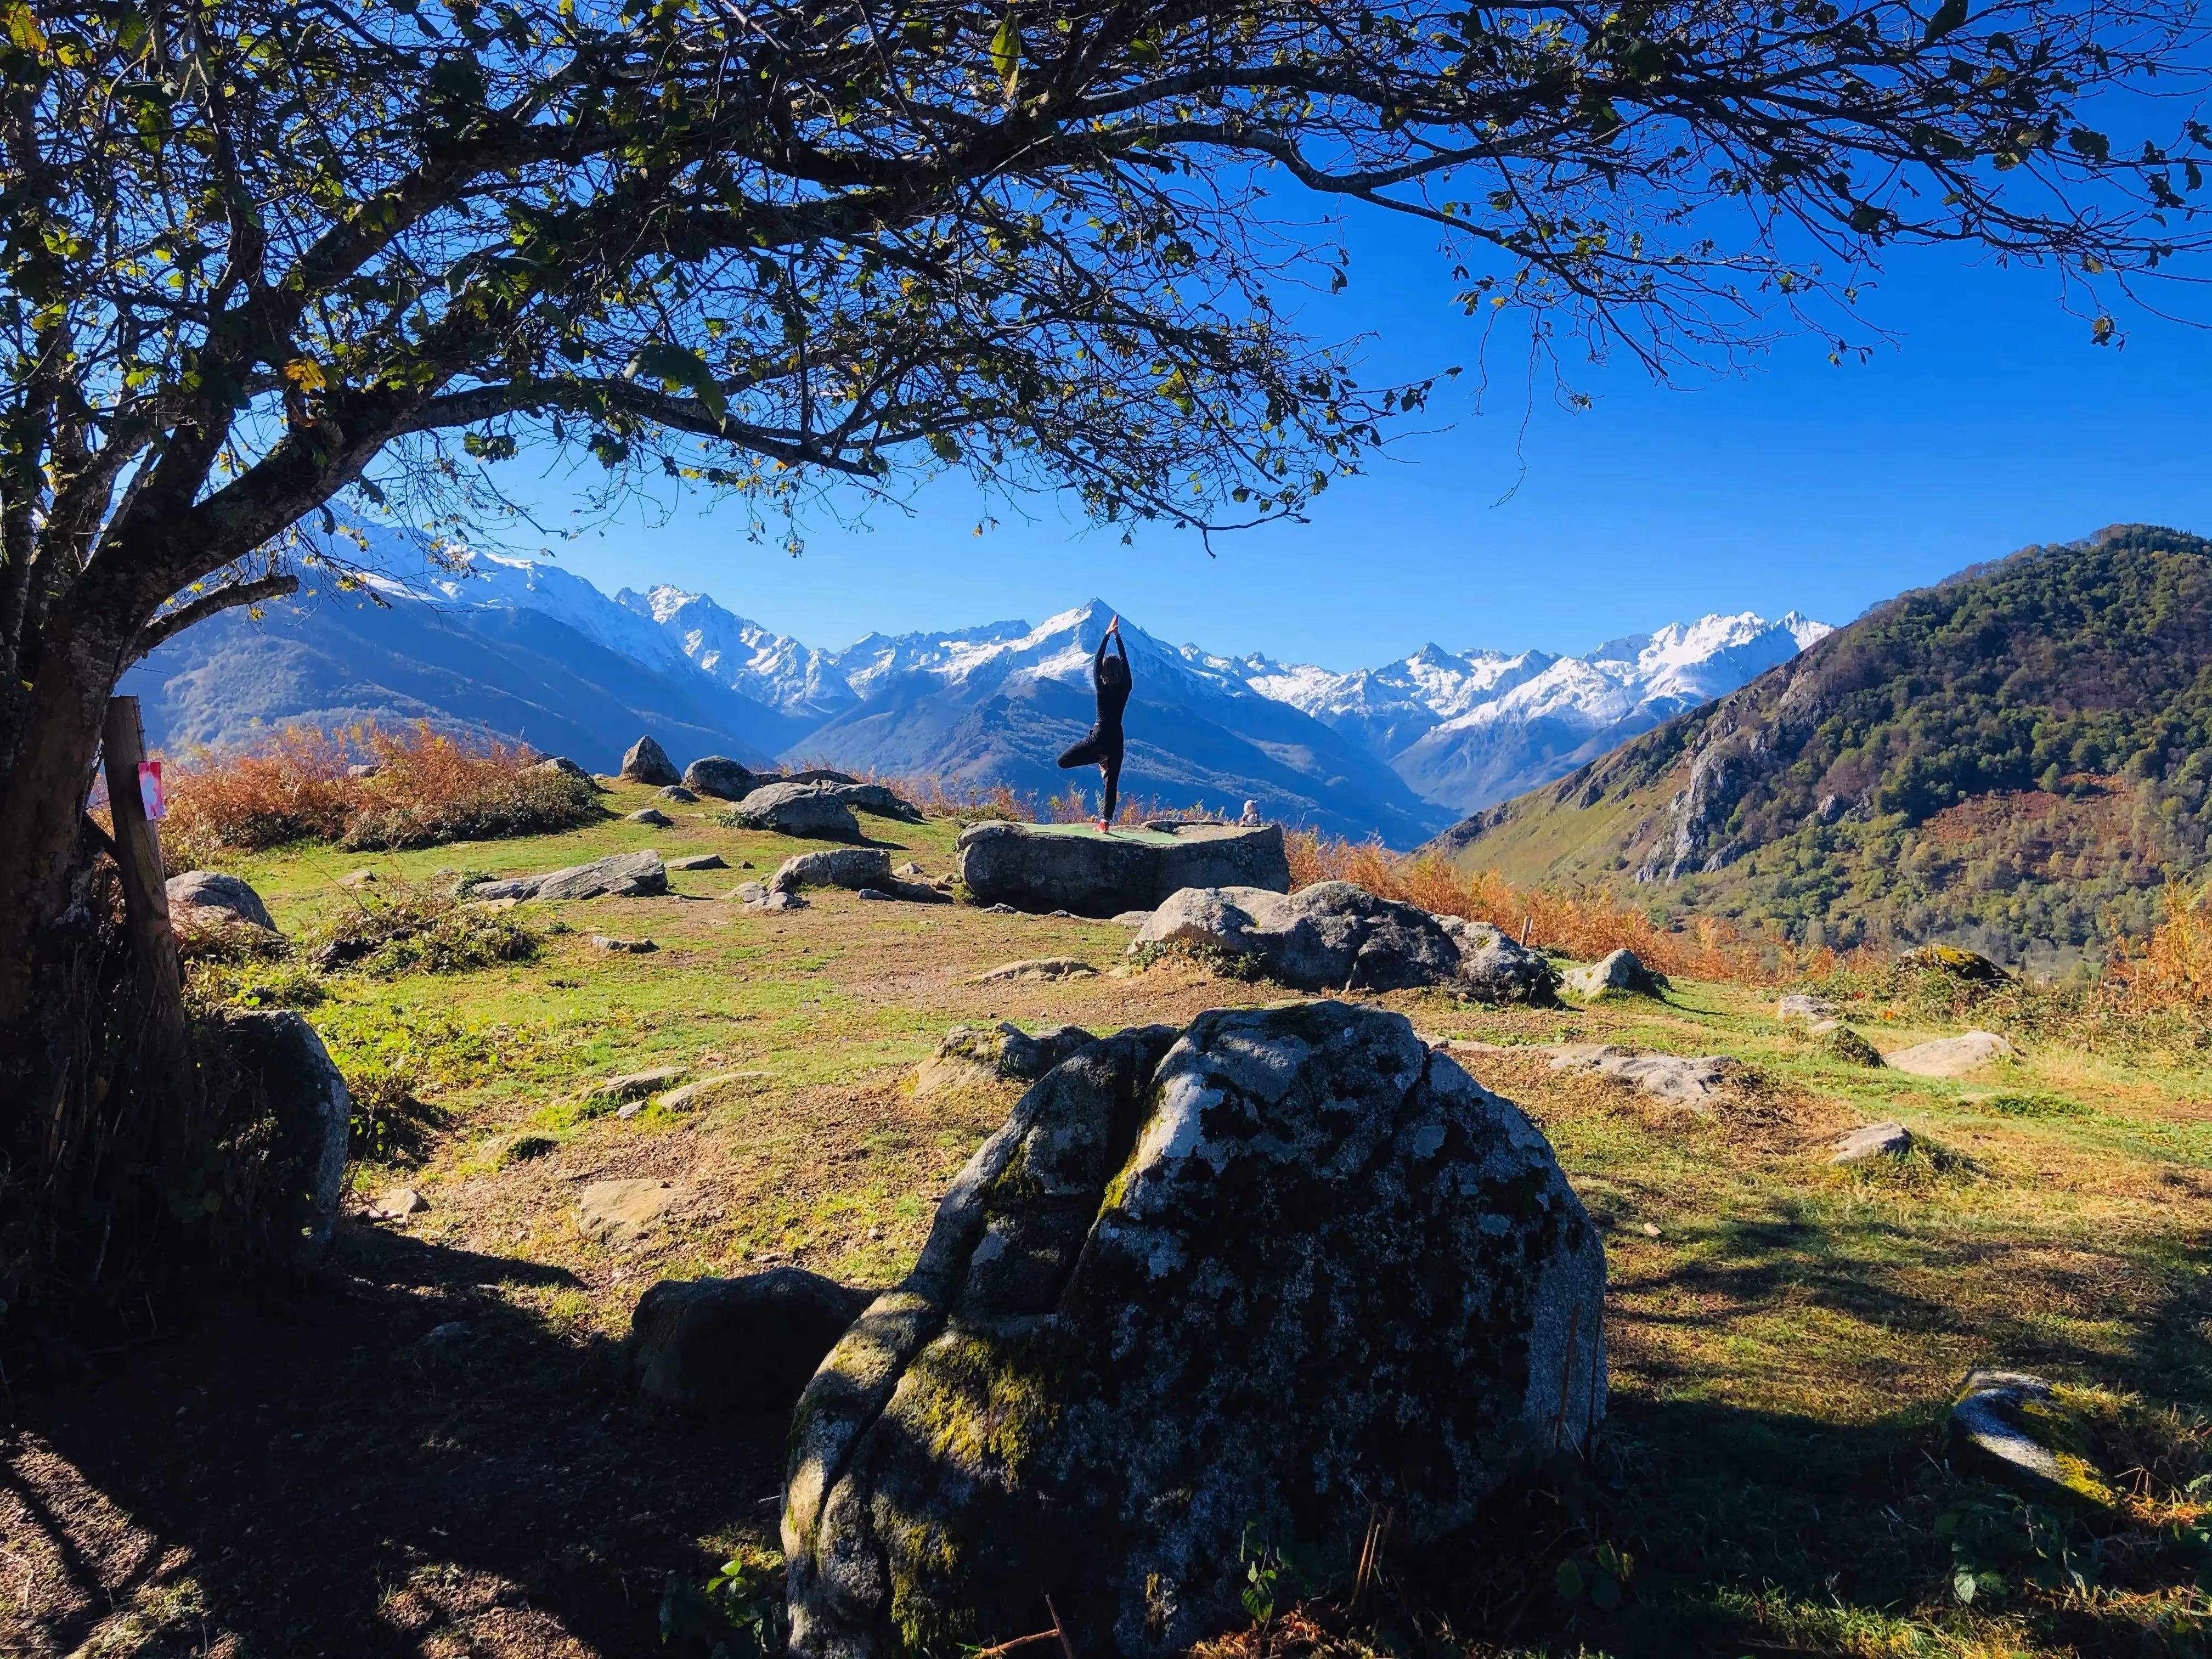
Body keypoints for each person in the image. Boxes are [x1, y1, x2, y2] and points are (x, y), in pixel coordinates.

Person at [1057, 614, 1131, 832]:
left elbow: (1097, 660)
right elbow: (1126, 665)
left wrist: (1107, 636)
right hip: (1117, 738)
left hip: (1098, 738)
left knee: (1063, 761)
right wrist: (1118, 638)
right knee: (1112, 782)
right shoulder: (1126, 687)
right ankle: (1105, 823)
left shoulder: (1101, 688)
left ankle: (1100, 760)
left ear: (1104, 673)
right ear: (1120, 673)